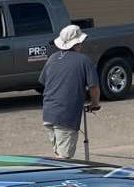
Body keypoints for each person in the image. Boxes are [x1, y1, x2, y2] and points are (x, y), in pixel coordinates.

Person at [38, 24, 100, 160]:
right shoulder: (84, 60)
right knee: (64, 161)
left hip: (48, 114)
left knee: (58, 155)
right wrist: (95, 103)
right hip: (66, 116)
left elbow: (44, 82)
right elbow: (93, 87)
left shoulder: (52, 58)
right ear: (77, 43)